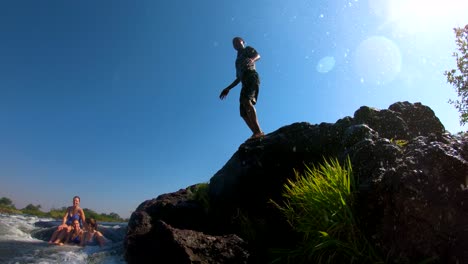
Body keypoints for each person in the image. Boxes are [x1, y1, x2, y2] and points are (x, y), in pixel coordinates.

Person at [219, 37, 264, 140]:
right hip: (244, 81)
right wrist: (228, 88)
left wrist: (252, 59)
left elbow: (258, 55)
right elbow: (238, 78)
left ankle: (258, 131)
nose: (235, 44)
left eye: (237, 41)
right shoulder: (237, 61)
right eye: (233, 43)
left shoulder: (247, 49)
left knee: (246, 101)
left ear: (243, 42)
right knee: (243, 112)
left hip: (251, 76)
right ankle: (256, 134)